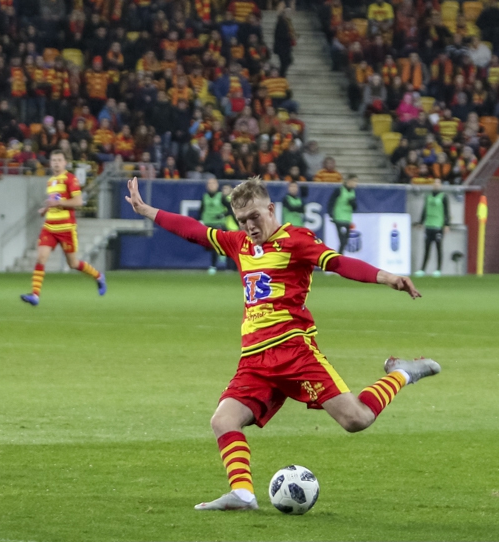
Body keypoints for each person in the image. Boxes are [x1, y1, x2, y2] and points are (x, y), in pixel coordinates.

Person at [124, 176, 440, 511]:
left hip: (294, 352)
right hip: (254, 360)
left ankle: (402, 373)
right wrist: (147, 210)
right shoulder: (238, 244)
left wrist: (387, 276)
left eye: (255, 217)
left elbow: (338, 263)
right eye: (242, 220)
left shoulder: (296, 240)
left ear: (271, 210)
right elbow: (194, 230)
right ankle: (243, 494)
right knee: (223, 420)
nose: (249, 226)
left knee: (356, 420)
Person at [21, 149, 106, 306]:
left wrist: (58, 203)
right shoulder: (51, 181)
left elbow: (78, 202)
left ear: (65, 162)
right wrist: (46, 209)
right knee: (41, 258)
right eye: (53, 160)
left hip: (66, 228)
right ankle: (35, 295)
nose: (56, 163)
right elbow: (54, 201)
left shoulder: (70, 179)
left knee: (73, 264)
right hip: (49, 226)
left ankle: (98, 276)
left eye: (59, 160)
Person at [415, 180, 450, 277]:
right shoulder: (428, 196)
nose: (436, 185)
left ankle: (438, 269)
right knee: (427, 248)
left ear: (440, 185)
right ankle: (422, 269)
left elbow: (446, 211)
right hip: (428, 225)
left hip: (438, 226)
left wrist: (447, 224)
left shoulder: (443, 196)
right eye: (435, 183)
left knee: (438, 248)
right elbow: (424, 209)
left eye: (438, 183)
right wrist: (421, 222)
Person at [199, 177, 229, 274]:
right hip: (207, 224)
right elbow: (201, 210)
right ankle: (221, 253)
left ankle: (213, 266)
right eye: (209, 184)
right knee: (208, 246)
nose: (211, 186)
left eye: (213, 184)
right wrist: (199, 220)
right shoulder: (204, 197)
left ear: (217, 185)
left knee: (214, 244)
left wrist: (222, 215)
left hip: (218, 224)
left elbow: (230, 209)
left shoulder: (221, 196)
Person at [328, 173, 358, 254]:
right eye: (354, 181)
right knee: (342, 241)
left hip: (347, 219)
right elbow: (331, 201)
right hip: (339, 218)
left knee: (345, 241)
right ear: (348, 181)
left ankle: (339, 256)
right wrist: (331, 213)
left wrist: (353, 203)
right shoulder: (339, 190)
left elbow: (355, 207)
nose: (356, 183)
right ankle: (339, 257)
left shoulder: (352, 192)